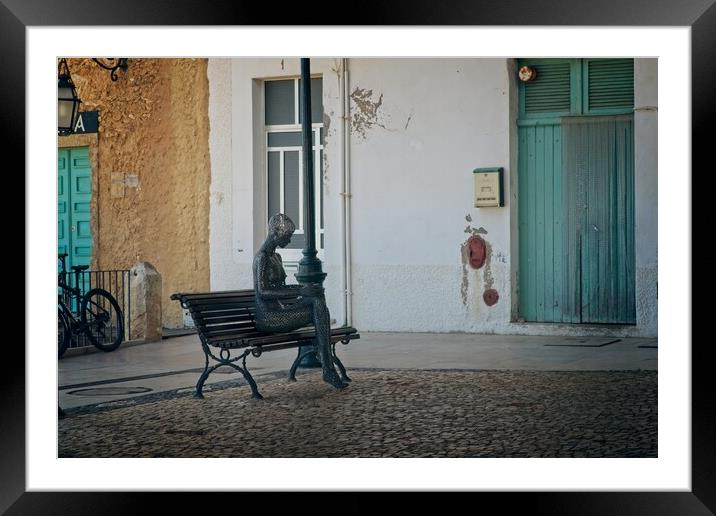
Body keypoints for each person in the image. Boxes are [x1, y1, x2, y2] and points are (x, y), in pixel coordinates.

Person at [253, 213, 347, 389]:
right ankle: (326, 364)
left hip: (280, 311)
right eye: (287, 237)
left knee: (317, 298)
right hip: (269, 318)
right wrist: (300, 290)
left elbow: (281, 288)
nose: (289, 241)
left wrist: (304, 291)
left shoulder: (277, 257)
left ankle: (325, 361)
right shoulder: (262, 258)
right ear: (276, 234)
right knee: (318, 305)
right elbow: (262, 291)